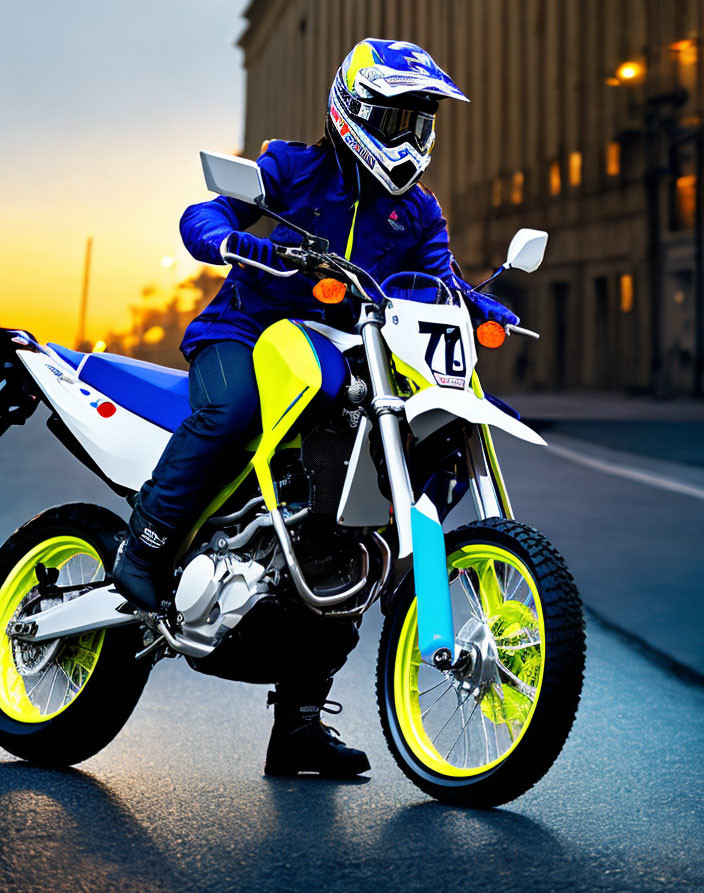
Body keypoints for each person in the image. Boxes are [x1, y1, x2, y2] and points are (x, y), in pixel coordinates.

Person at [113, 38, 519, 777]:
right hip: (250, 334)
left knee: (356, 539)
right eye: (397, 120)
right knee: (230, 413)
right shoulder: (293, 167)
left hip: (347, 359)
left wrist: (486, 304)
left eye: (420, 124)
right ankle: (144, 543)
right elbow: (203, 213)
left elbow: (439, 277)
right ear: (354, 113)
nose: (410, 139)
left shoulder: (419, 210)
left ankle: (297, 726)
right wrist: (233, 242)